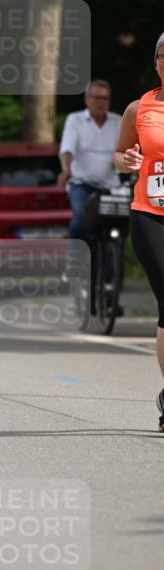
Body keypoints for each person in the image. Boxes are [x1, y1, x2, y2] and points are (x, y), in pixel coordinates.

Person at [114, 32, 164, 432]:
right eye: (163, 56)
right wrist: (127, 159)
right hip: (149, 214)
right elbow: (119, 155)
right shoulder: (139, 108)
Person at [58, 80, 122, 245]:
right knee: (80, 221)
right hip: (81, 184)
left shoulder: (118, 121)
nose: (101, 102)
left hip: (110, 187)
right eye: (97, 97)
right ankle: (77, 260)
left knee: (119, 227)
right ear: (87, 100)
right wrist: (66, 169)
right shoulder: (75, 120)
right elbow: (67, 149)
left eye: (105, 98)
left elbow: (125, 150)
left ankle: (113, 268)